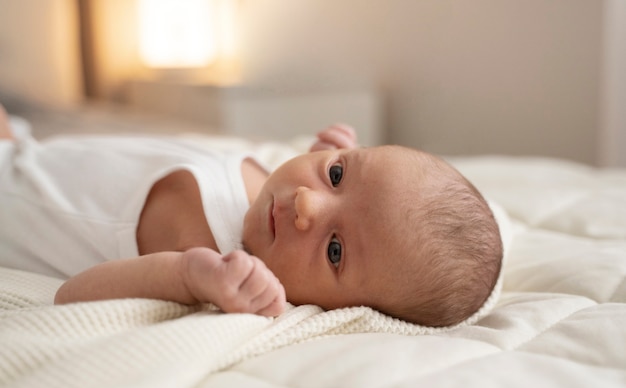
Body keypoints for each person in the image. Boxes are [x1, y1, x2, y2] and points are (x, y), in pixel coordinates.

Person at [0, 104, 503, 327]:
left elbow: (72, 295)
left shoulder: (216, 260)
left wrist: (186, 276)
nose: (306, 204)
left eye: (334, 250)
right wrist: (322, 156)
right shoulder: (272, 190)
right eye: (336, 176)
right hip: (30, 151)